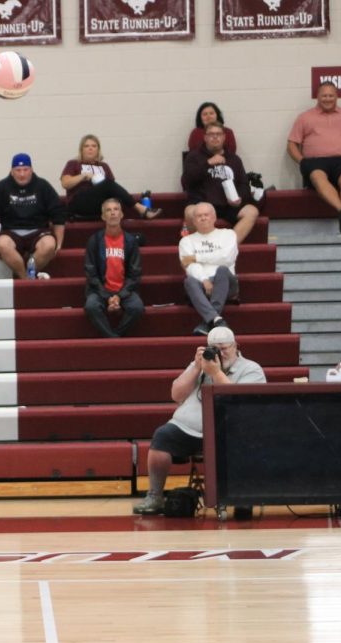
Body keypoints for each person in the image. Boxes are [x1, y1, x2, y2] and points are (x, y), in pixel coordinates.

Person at [132, 327, 266, 515]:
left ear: (236, 346)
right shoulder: (201, 364)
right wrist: (196, 368)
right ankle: (155, 496)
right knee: (162, 436)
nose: (220, 353)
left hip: (230, 432)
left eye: (224, 348)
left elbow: (238, 402)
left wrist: (216, 373)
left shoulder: (251, 369)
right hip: (189, 427)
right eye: (214, 348)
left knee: (245, 443)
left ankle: (239, 495)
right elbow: (176, 394)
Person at [287, 81, 341, 235]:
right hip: (315, 162)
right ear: (317, 97)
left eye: (331, 95)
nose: (327, 98)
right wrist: (302, 161)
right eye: (324, 95)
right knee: (318, 177)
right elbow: (291, 145)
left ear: (337, 96)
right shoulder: (305, 117)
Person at [0, 154, 66, 280]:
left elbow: (58, 214)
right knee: (2, 244)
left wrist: (58, 242)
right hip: (10, 231)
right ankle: (26, 279)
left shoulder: (43, 186)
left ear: (31, 170)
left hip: (39, 230)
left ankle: (27, 277)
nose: (22, 174)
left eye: (25, 170)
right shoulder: (2, 187)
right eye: (18, 170)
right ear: (12, 171)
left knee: (49, 244)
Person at [182, 124, 259, 243]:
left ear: (224, 137)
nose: (215, 137)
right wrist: (208, 163)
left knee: (252, 211)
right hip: (202, 203)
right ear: (205, 138)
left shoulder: (234, 159)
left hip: (228, 205)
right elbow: (187, 180)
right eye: (211, 134)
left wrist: (239, 198)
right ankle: (200, 246)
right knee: (189, 211)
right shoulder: (193, 157)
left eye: (218, 134)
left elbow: (244, 184)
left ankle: (228, 247)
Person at [61, 136, 161, 222]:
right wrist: (84, 176)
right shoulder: (73, 164)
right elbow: (65, 183)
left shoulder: (104, 166)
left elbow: (113, 188)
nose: (90, 148)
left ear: (98, 150)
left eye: (93, 146)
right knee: (107, 184)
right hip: (79, 202)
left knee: (116, 198)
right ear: (81, 150)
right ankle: (141, 209)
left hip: (100, 203)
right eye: (86, 146)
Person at [84, 198, 145, 338]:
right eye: (108, 210)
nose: (113, 213)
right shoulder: (94, 240)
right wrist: (107, 296)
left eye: (116, 209)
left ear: (122, 214)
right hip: (99, 290)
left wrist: (119, 296)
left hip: (125, 291)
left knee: (137, 307)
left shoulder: (130, 241)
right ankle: (114, 339)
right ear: (103, 216)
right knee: (91, 306)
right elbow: (90, 273)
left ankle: (115, 336)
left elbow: (135, 274)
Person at [180, 203, 239, 336]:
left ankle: (209, 320)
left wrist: (196, 257)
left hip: (226, 282)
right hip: (202, 284)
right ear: (194, 221)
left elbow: (226, 258)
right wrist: (204, 279)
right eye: (199, 216)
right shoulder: (186, 241)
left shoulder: (228, 235)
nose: (203, 218)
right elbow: (190, 266)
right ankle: (216, 320)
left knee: (222, 269)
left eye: (206, 215)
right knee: (189, 281)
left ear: (214, 217)